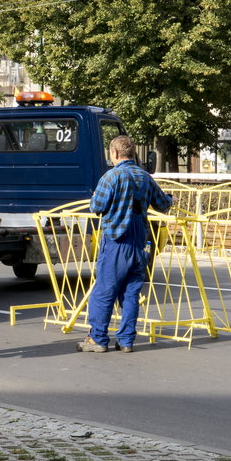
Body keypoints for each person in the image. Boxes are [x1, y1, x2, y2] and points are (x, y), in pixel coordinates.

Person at [78, 135, 172, 353]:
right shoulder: (145, 177)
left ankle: (98, 339)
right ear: (133, 153)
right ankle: (127, 340)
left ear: (114, 153)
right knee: (131, 293)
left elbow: (97, 206)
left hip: (116, 241)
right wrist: (171, 199)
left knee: (104, 291)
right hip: (140, 242)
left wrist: (94, 199)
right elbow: (163, 204)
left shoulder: (111, 177)